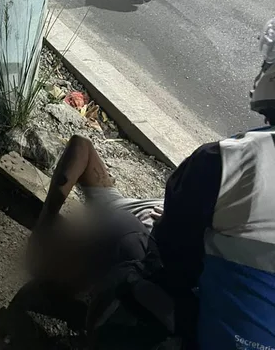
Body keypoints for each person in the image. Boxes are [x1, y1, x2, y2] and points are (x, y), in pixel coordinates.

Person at [29, 18, 275, 348]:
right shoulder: (121, 219)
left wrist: (44, 225)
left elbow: (170, 263)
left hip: (170, 271)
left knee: (137, 276)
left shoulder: (228, 164)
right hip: (192, 277)